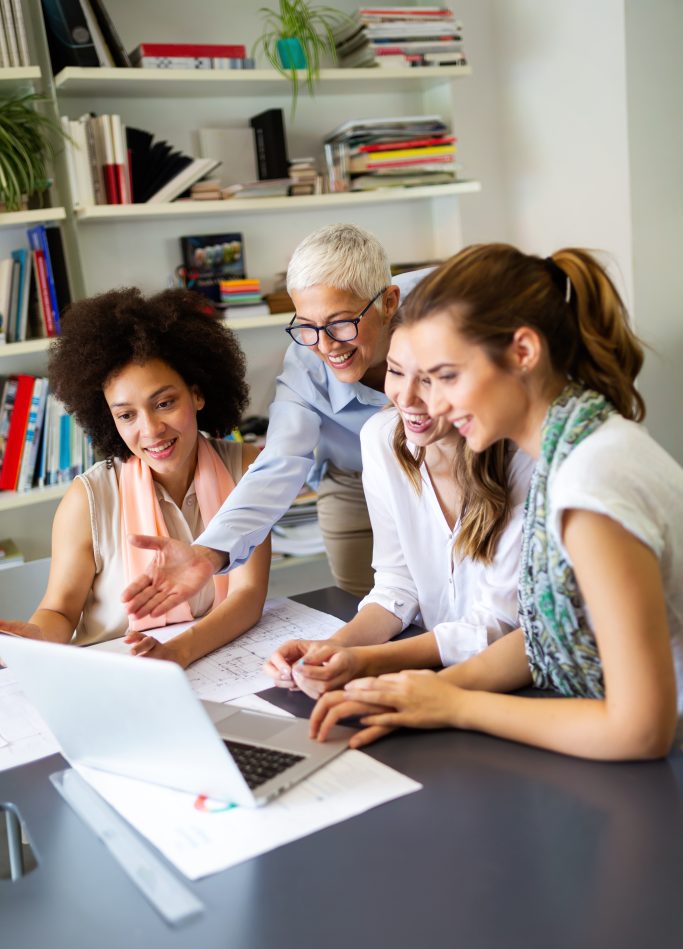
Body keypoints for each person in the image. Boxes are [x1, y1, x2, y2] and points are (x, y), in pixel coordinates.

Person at [311, 244, 683, 759]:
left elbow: (640, 731)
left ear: (523, 353)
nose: (432, 404)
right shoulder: (577, 445)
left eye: (447, 376)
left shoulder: (590, 485)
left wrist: (453, 705)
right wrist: (421, 684)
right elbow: (538, 634)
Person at [119, 223, 429, 610]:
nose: (325, 345)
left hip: (452, 470)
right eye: (308, 326)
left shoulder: (444, 300)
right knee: (368, 608)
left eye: (340, 322)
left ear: (388, 302)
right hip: (354, 478)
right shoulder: (305, 367)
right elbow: (278, 462)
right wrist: (208, 552)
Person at [264, 319, 534, 720]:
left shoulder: (524, 457)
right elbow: (397, 582)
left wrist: (369, 663)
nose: (406, 398)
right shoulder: (381, 437)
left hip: (505, 688)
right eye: (395, 370)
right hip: (433, 677)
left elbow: (502, 625)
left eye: (430, 380)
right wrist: (336, 648)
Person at [0, 287, 270, 667]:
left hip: (216, 662)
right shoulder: (87, 499)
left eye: (164, 403)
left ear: (197, 394)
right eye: (127, 415)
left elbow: (248, 595)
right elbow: (60, 612)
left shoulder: (246, 468)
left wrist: (178, 652)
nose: (151, 430)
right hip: (121, 674)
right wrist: (38, 638)